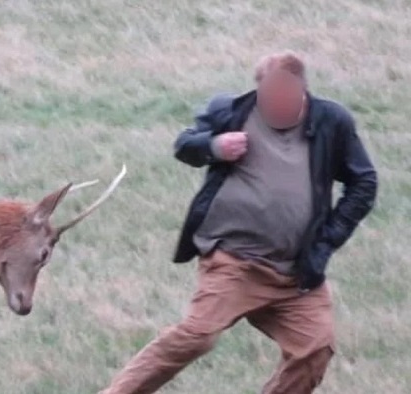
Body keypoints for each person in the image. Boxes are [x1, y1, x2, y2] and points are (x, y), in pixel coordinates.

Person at [100, 51, 378, 394]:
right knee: (196, 337)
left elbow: (364, 182)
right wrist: (214, 146)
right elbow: (185, 144)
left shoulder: (331, 122)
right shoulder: (231, 111)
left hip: (297, 271)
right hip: (234, 263)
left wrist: (329, 238)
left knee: (315, 348)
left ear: (302, 90)